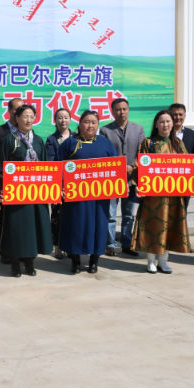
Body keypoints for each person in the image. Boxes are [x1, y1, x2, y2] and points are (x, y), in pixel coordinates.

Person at [131, 110, 192, 274]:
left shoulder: (178, 143)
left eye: (168, 121)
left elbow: (187, 166)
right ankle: (151, 261)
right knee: (153, 227)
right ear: (156, 125)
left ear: (173, 124)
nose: (165, 124)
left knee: (170, 228)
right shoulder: (148, 143)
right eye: (162, 121)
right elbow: (138, 166)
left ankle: (164, 261)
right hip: (153, 197)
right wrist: (137, 185)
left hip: (173, 196)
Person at [58, 110, 118, 274]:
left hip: (99, 197)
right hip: (75, 197)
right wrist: (61, 187)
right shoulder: (70, 143)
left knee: (98, 227)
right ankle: (75, 260)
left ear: (98, 125)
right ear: (79, 124)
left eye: (93, 122)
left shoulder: (105, 143)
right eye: (86, 122)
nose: (90, 125)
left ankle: (94, 260)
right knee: (76, 226)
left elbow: (115, 166)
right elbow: (58, 166)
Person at [0, 105, 53, 277]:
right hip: (17, 193)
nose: (28, 120)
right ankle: (15, 263)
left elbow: (45, 166)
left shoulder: (38, 140)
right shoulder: (9, 139)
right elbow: (2, 167)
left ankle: (30, 262)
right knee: (17, 228)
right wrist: (2, 189)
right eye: (25, 116)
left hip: (36, 193)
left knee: (33, 228)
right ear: (17, 118)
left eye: (31, 116)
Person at [100, 98, 145, 257]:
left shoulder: (138, 129)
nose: (122, 112)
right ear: (113, 111)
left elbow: (142, 153)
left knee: (129, 214)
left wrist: (133, 166)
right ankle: (110, 244)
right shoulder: (105, 130)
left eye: (124, 109)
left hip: (132, 178)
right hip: (113, 179)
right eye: (118, 109)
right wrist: (120, 168)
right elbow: (104, 154)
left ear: (128, 110)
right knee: (111, 214)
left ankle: (127, 243)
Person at [0, 97, 24, 262]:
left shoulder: (27, 132)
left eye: (23, 109)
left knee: (21, 217)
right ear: (9, 111)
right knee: (5, 217)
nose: (20, 113)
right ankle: (4, 250)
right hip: (5, 183)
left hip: (24, 184)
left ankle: (21, 250)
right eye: (17, 109)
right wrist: (0, 184)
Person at [45, 107, 72, 259]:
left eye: (66, 117)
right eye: (60, 118)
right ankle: (57, 246)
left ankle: (69, 245)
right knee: (57, 216)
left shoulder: (76, 137)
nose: (63, 121)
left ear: (70, 119)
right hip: (58, 183)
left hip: (75, 183)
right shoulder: (51, 139)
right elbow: (51, 162)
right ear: (55, 121)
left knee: (72, 216)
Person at [169, 103, 194, 210]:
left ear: (185, 115)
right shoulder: (163, 134)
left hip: (186, 179)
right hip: (167, 178)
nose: (178, 117)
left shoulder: (193, 135)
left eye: (180, 114)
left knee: (183, 209)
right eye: (174, 115)